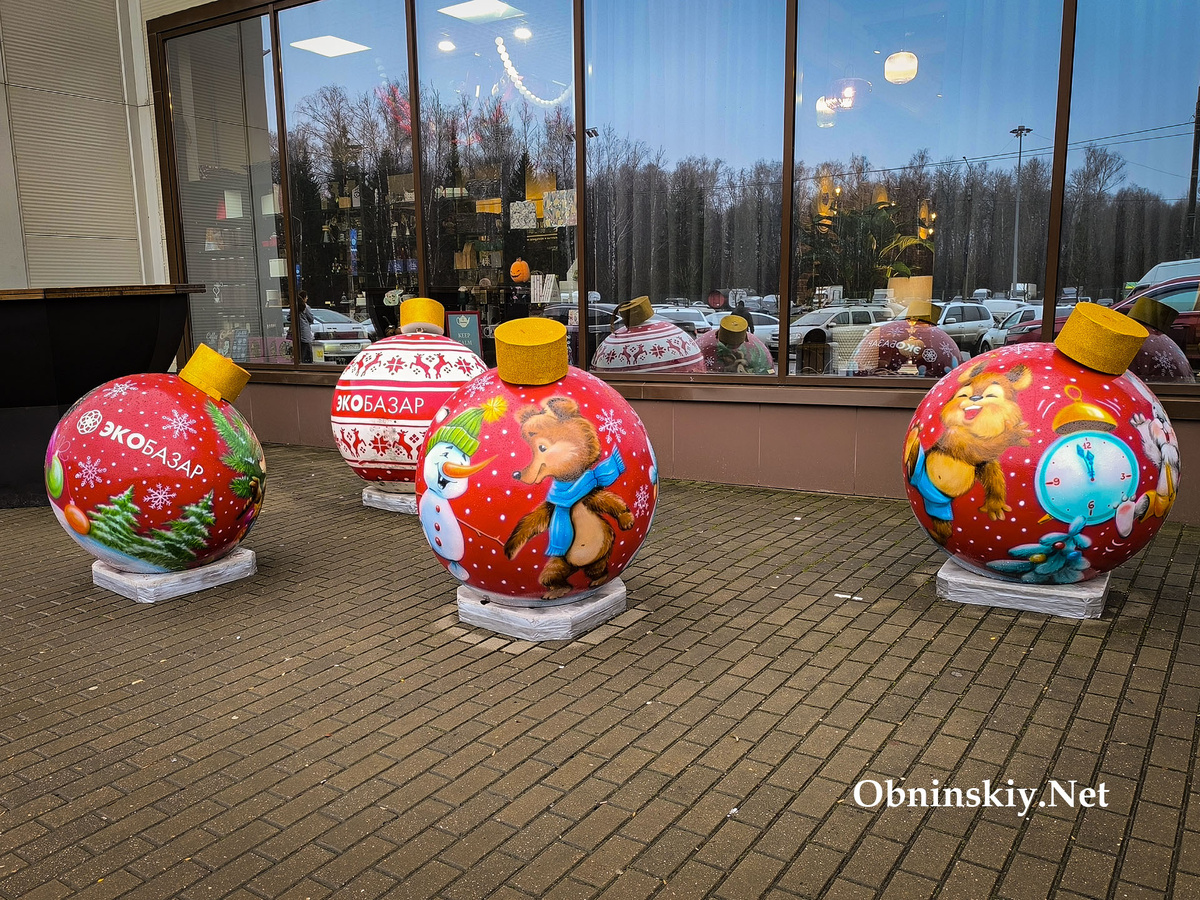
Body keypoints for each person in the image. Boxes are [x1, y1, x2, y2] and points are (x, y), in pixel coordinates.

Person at [297, 291, 315, 363]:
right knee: (306, 348)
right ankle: (306, 362)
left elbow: (289, 317)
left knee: (300, 349)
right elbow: (311, 318)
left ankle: (301, 361)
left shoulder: (295, 307)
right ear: (303, 298)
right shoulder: (306, 307)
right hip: (305, 330)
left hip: (297, 331)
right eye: (306, 297)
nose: (307, 298)